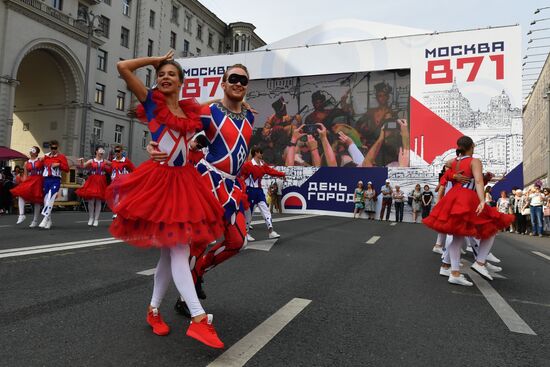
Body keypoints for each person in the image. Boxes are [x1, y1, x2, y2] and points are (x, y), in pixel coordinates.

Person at [109, 51, 225, 348]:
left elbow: (203, 131)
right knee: (178, 249)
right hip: (160, 181)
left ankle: (153, 310)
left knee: (169, 252)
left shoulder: (190, 111)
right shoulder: (151, 101)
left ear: (181, 82)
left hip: (185, 181)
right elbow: (122, 67)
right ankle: (198, 319)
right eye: (161, 74)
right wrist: (155, 60)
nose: (164, 77)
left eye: (171, 73)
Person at [423, 136, 514, 286]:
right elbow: (478, 181)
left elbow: (450, 168)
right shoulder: (474, 161)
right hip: (467, 198)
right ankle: (480, 262)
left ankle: (454, 271)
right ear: (472, 146)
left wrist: (454, 175)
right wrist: (482, 200)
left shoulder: (454, 161)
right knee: (492, 226)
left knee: (458, 236)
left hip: (454, 198)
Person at [240, 146, 286, 240]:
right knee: (249, 213)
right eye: (260, 152)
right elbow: (241, 176)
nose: (262, 154)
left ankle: (271, 231)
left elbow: (271, 171)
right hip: (250, 191)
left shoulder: (262, 164)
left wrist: (282, 174)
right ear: (256, 153)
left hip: (259, 191)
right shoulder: (248, 165)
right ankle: (245, 233)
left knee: (266, 210)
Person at [76, 147, 112, 227]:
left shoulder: (105, 161)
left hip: (101, 181)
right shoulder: (91, 160)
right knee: (91, 201)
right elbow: (83, 166)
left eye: (103, 151)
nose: (101, 152)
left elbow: (113, 165)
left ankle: (96, 219)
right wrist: (82, 161)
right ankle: (91, 217)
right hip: (92, 180)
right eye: (100, 150)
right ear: (96, 152)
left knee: (98, 201)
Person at [10, 146, 44, 227]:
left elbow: (46, 166)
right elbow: (25, 175)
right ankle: (21, 215)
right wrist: (23, 184)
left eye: (33, 150)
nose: (31, 151)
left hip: (39, 180)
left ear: (36, 152)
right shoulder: (26, 163)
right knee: (21, 194)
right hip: (30, 180)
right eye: (31, 150)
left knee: (37, 200)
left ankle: (35, 220)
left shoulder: (40, 160)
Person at [39, 140, 69, 229]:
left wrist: (59, 164)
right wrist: (40, 160)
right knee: (46, 201)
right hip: (46, 180)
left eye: (55, 148)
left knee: (50, 198)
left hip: (55, 179)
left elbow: (67, 169)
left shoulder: (61, 157)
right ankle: (49, 220)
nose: (53, 150)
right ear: (50, 148)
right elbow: (40, 166)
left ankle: (44, 218)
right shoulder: (46, 156)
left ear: (58, 147)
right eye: (52, 148)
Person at [109, 145, 136, 218]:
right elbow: (111, 170)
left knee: (123, 197)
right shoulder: (113, 161)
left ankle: (122, 212)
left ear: (121, 152)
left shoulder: (126, 160)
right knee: (115, 197)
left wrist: (131, 178)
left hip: (124, 182)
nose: (117, 153)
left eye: (118, 151)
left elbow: (133, 169)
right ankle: (116, 212)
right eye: (115, 151)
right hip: (115, 182)